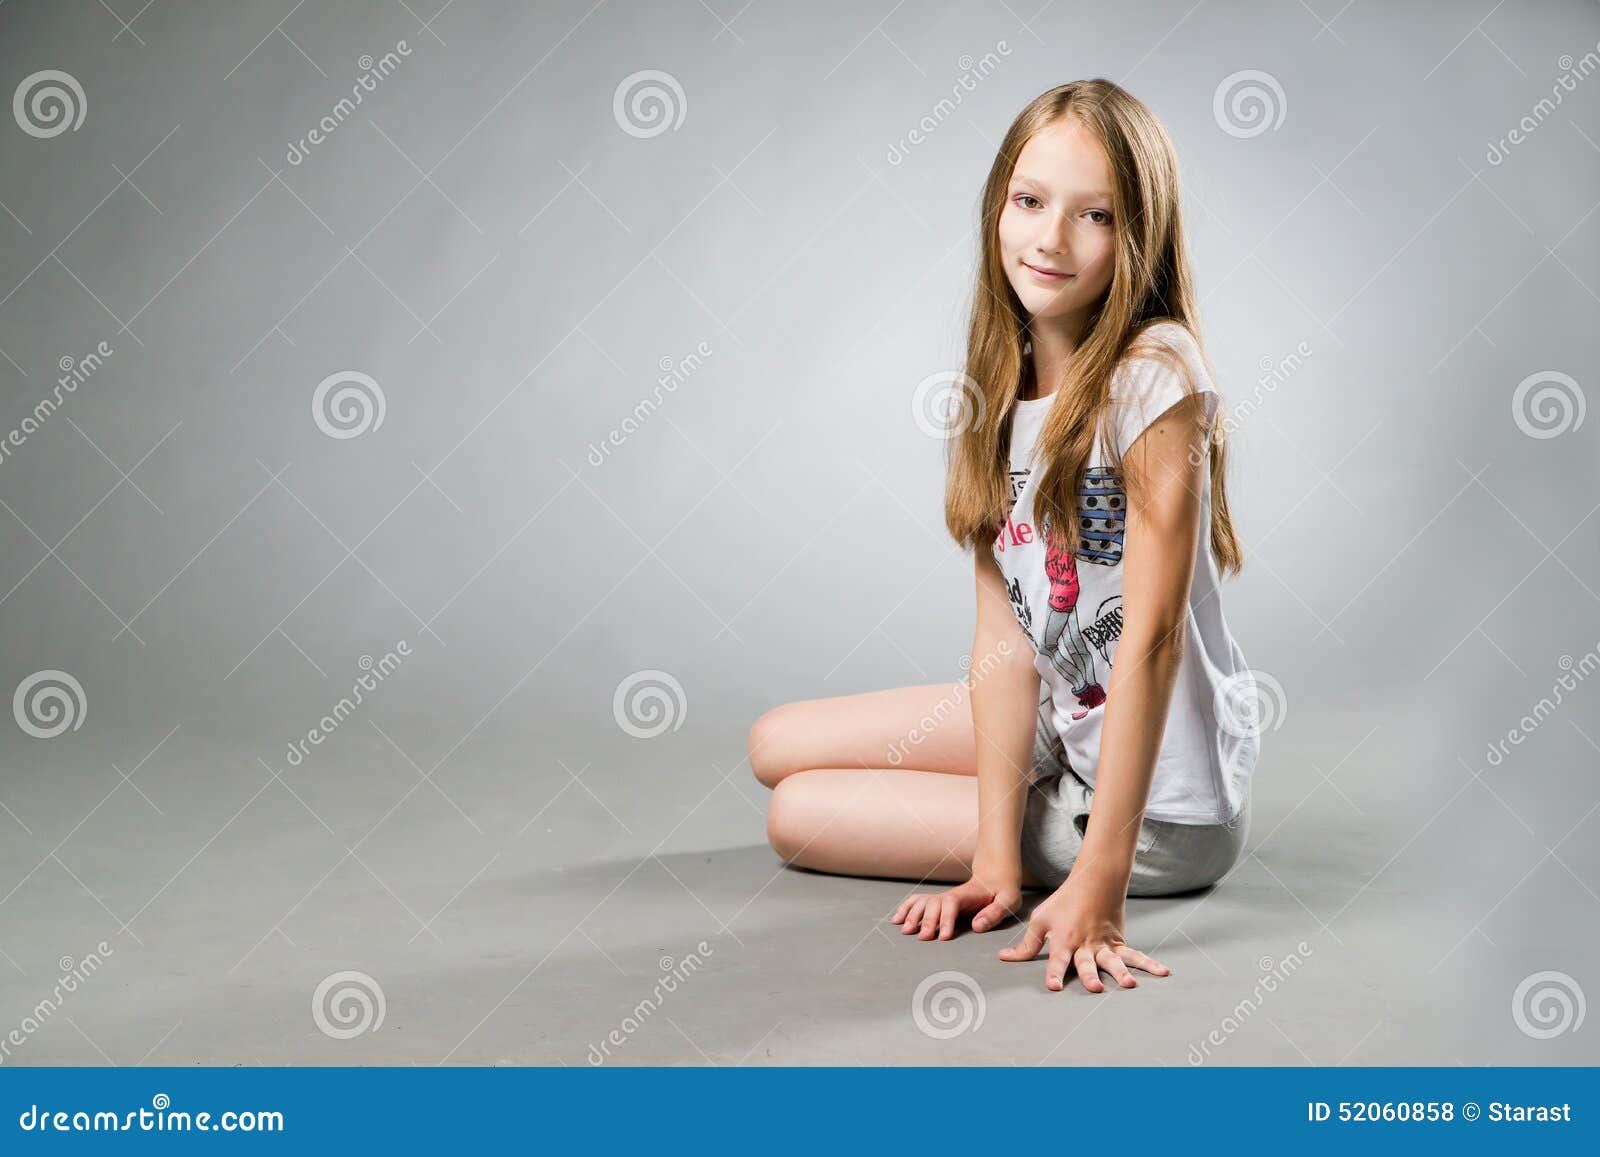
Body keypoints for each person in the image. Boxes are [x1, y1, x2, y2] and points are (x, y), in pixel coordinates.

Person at [750, 79, 1260, 994]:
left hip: (1158, 817)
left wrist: (1098, 882)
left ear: (1138, 234)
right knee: (775, 741)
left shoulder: (1155, 374)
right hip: (1065, 735)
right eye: (1030, 202)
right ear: (999, 206)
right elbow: (1003, 641)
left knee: (799, 813)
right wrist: (993, 861)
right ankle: (1015, 827)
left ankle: (1087, 847)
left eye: (1094, 214)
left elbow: (1149, 637)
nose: (1050, 239)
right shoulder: (995, 385)